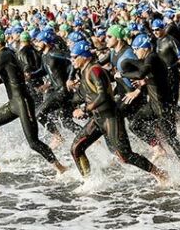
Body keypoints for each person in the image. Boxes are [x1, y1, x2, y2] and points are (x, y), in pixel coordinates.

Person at [68, 41, 168, 184]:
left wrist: (84, 109)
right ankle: (88, 183)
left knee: (125, 156)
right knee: (76, 149)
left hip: (111, 118)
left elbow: (103, 96)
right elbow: (86, 94)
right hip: (97, 119)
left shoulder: (95, 71)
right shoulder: (83, 71)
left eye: (74, 57)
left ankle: (160, 173)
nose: (72, 61)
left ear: (85, 57)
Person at [0, 28, 66, 175]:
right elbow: (13, 74)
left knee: (33, 142)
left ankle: (61, 168)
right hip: (14, 104)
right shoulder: (9, 52)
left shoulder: (1, 57)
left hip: (23, 103)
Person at [121, 33, 180, 166]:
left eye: (136, 49)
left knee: (171, 138)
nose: (134, 52)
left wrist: (122, 74)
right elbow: (149, 73)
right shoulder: (149, 59)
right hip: (153, 105)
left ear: (144, 48)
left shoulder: (152, 58)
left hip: (162, 106)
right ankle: (157, 147)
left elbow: (141, 73)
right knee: (134, 125)